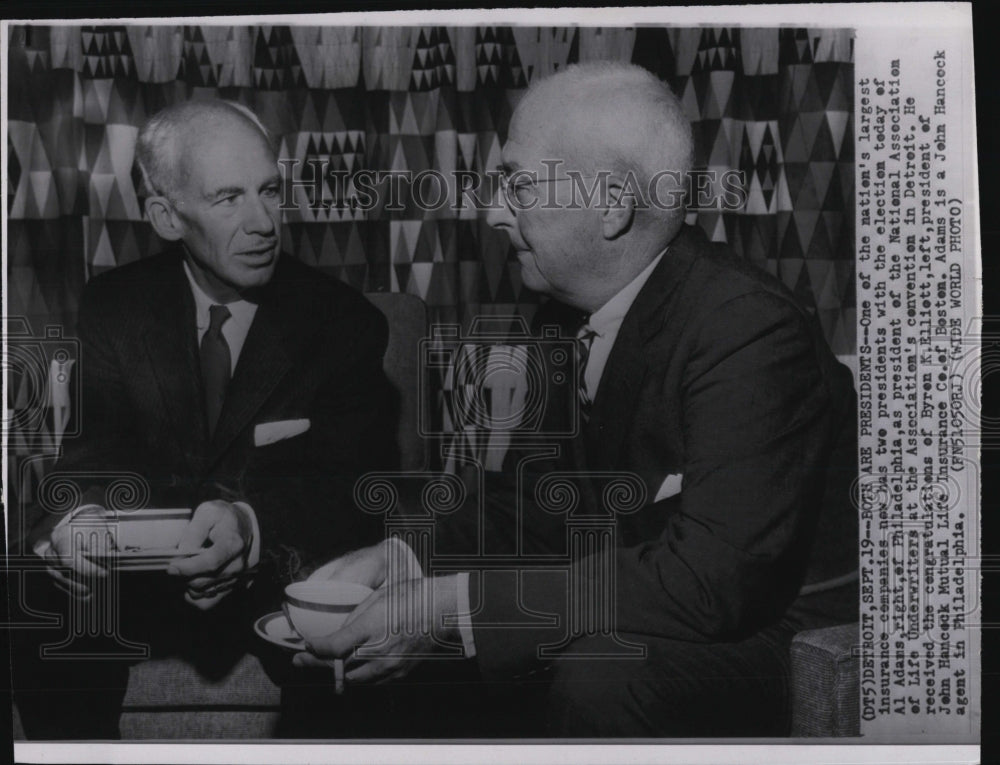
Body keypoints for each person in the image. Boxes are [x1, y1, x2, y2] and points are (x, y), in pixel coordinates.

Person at [293, 62, 859, 737]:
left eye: (520, 184)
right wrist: (409, 556)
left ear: (613, 204)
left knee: (598, 673)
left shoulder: (745, 327)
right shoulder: (564, 317)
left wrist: (452, 606)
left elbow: (714, 579)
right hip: (660, 589)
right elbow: (539, 508)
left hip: (794, 633)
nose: (495, 211)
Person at [11, 99, 396, 739]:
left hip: (276, 579)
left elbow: (353, 491)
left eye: (269, 190)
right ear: (166, 216)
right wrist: (75, 521)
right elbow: (93, 460)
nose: (263, 222)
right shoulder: (114, 307)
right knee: (33, 590)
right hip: (142, 583)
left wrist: (251, 526)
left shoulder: (344, 323)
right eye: (228, 199)